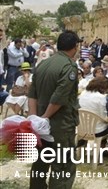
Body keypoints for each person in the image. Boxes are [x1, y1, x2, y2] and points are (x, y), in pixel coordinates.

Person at [28, 31, 82, 188]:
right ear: (75, 46)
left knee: (40, 162)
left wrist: (34, 118)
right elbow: (60, 97)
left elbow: (33, 93)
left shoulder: (43, 64)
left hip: (40, 123)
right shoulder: (69, 66)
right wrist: (45, 117)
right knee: (63, 164)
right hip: (60, 124)